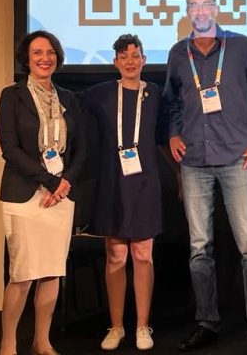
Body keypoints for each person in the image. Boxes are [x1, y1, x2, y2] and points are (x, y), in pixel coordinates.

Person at [163, 0, 247, 355]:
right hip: (194, 162)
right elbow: (172, 103)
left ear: (216, 9)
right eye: (193, 6)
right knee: (199, 247)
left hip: (237, 158)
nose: (200, 12)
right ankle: (207, 322)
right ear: (187, 13)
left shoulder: (242, 47)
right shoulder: (178, 54)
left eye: (206, 5)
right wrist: (173, 133)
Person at [0, 30, 86, 355]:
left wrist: (64, 183)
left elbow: (81, 149)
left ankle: (42, 341)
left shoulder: (69, 99)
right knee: (22, 273)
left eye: (50, 52)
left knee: (51, 272)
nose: (44, 58)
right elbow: (9, 149)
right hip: (25, 193)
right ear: (27, 58)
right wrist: (49, 181)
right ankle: (8, 343)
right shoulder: (12, 96)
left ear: (57, 58)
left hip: (60, 196)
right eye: (37, 53)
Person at [84, 34, 163, 351]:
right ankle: (116, 326)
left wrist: (181, 178)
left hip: (145, 184)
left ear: (144, 59)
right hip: (112, 183)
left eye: (135, 55)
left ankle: (143, 326)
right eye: (124, 56)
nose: (130, 61)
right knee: (116, 256)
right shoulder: (101, 93)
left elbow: (167, 137)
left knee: (143, 254)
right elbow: (69, 107)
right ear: (115, 61)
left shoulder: (155, 94)